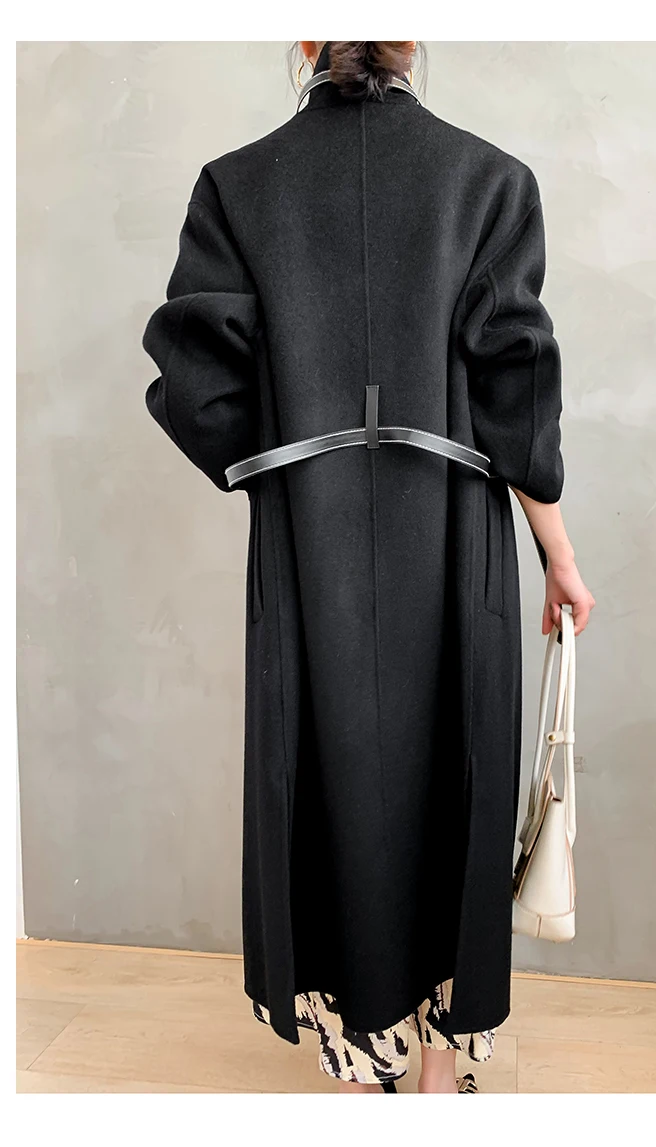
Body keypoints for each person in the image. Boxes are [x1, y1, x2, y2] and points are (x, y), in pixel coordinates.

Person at [143, 40, 595, 1095]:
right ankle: (439, 1069)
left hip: (308, 548)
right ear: (411, 40)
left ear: (305, 42)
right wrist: (559, 554)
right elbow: (517, 389)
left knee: (327, 779)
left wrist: (290, 453)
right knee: (456, 780)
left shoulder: (236, 186)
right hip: (455, 541)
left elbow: (196, 389)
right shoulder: (487, 180)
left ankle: (362, 1063)